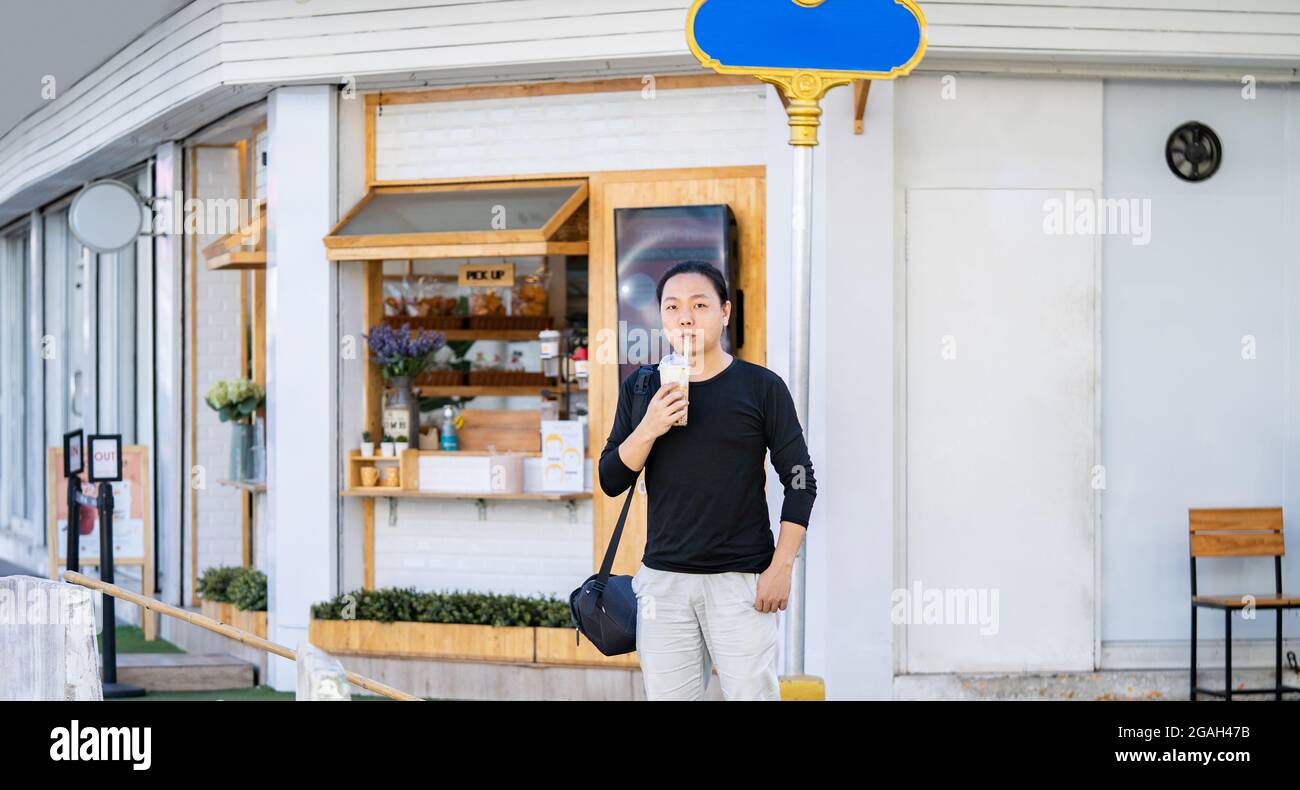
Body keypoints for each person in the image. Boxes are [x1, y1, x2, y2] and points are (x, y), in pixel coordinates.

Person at [599, 259, 817, 701]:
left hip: (741, 583)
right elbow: (610, 479)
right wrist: (651, 424)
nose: (685, 316)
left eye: (699, 304)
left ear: (725, 312)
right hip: (663, 582)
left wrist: (781, 567)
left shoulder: (761, 387)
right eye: (672, 306)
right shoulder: (643, 389)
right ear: (660, 316)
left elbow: (799, 480)